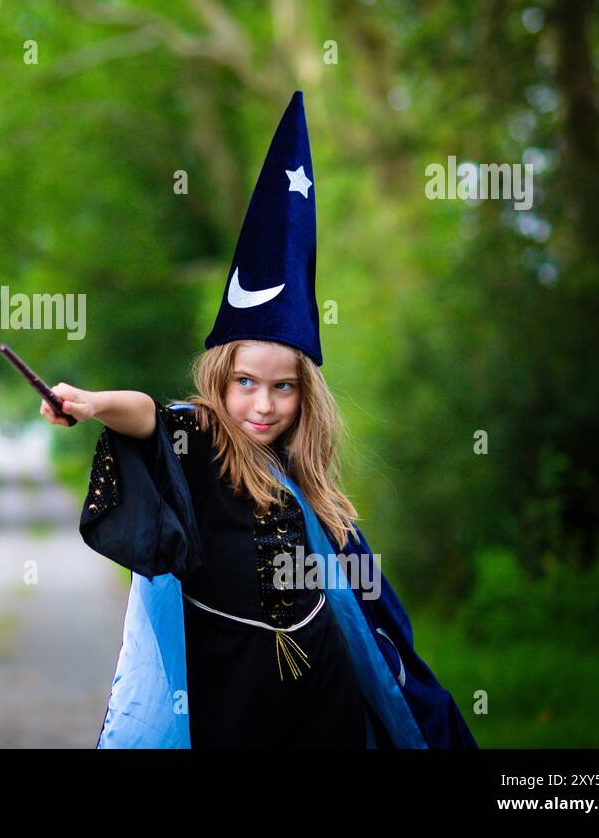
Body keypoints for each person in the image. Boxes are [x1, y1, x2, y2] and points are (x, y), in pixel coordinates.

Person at [38, 91, 478, 749]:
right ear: (221, 379)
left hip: (322, 701)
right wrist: (97, 403)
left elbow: (364, 606)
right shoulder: (201, 437)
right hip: (229, 698)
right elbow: (148, 418)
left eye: (282, 388)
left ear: (307, 397)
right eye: (245, 383)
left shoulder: (316, 488)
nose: (262, 405)